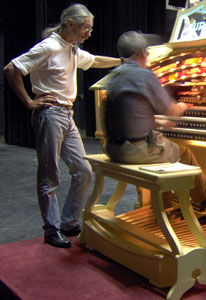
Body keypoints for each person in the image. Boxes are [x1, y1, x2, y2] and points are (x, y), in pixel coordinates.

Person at [3, 4, 122, 248]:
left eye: (90, 29)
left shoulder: (71, 48)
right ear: (69, 23)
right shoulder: (49, 46)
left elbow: (95, 60)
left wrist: (124, 61)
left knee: (83, 170)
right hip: (50, 113)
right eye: (85, 28)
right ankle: (51, 228)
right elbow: (11, 68)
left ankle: (68, 222)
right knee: (50, 174)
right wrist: (28, 101)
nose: (88, 33)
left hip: (67, 115)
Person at [104, 31, 206, 208]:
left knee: (167, 150)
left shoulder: (114, 76)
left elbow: (132, 115)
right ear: (142, 52)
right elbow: (173, 111)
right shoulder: (143, 75)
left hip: (113, 147)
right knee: (184, 153)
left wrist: (159, 122)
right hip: (134, 150)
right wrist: (184, 105)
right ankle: (204, 197)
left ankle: (166, 208)